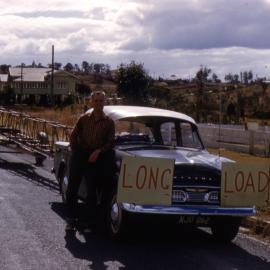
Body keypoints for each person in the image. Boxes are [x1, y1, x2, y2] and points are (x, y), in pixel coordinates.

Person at [65, 91, 115, 232]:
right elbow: (73, 135)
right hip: (80, 154)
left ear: (105, 102)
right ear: (91, 102)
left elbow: (111, 142)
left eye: (101, 101)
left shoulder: (109, 122)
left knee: (91, 191)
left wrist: (99, 151)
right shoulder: (84, 118)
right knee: (72, 188)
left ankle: (87, 222)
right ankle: (70, 220)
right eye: (96, 101)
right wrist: (75, 152)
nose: (99, 104)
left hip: (94, 157)